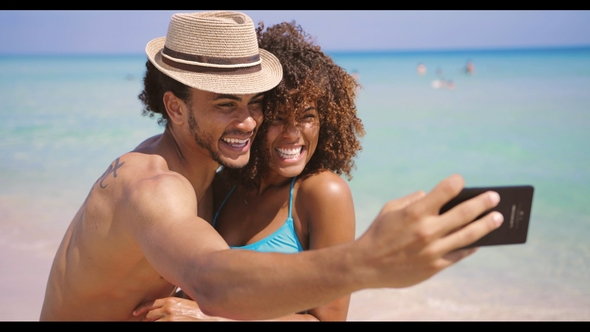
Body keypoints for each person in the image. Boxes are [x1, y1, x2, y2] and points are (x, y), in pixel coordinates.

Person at [40, 11, 504, 321]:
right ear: (175, 107)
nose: (247, 121)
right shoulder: (157, 187)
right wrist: (369, 261)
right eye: (225, 104)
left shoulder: (208, 177)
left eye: (255, 103)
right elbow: (210, 278)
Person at [133, 21, 363, 321]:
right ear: (256, 118)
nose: (293, 134)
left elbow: (327, 319)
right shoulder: (222, 185)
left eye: (307, 116)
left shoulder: (322, 193)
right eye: (278, 118)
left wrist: (214, 318)